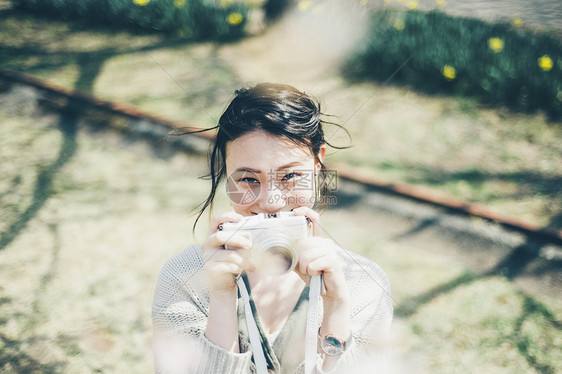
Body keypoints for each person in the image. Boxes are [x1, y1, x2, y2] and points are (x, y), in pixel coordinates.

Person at [152, 83, 393, 373]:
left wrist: (336, 306)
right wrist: (221, 296)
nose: (270, 201)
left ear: (318, 165)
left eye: (290, 175)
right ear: (227, 174)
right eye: (248, 179)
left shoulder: (363, 283)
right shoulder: (183, 277)